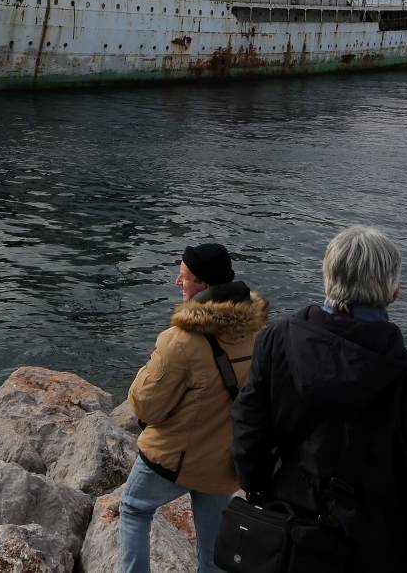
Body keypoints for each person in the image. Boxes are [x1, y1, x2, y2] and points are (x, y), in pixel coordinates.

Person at [231, 226, 407, 572]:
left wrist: (260, 489)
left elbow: (248, 431)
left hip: (288, 537)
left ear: (328, 278)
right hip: (375, 549)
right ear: (394, 292)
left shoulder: (276, 341)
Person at [121, 244, 268, 573]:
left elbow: (144, 404)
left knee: (133, 508)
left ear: (203, 286)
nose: (177, 282)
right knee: (211, 543)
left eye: (184, 277)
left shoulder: (180, 340)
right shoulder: (258, 333)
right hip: (223, 463)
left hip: (174, 459)